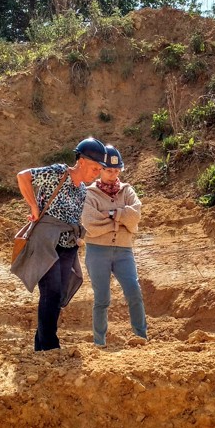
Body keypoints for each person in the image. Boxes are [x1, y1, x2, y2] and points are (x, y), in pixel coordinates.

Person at [14, 138, 107, 351]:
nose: (97, 173)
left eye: (100, 169)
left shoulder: (83, 190)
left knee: (58, 296)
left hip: (67, 246)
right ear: (81, 161)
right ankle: (50, 346)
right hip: (46, 243)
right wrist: (33, 207)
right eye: (95, 168)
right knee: (51, 292)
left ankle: (41, 347)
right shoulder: (58, 173)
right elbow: (23, 177)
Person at [81, 144, 147, 347]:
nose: (113, 174)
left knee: (134, 292)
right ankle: (99, 341)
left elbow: (135, 215)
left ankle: (141, 336)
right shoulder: (89, 193)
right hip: (96, 251)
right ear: (99, 169)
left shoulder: (127, 190)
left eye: (117, 170)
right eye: (109, 170)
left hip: (124, 251)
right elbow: (90, 224)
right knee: (102, 299)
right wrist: (121, 216)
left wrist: (109, 215)